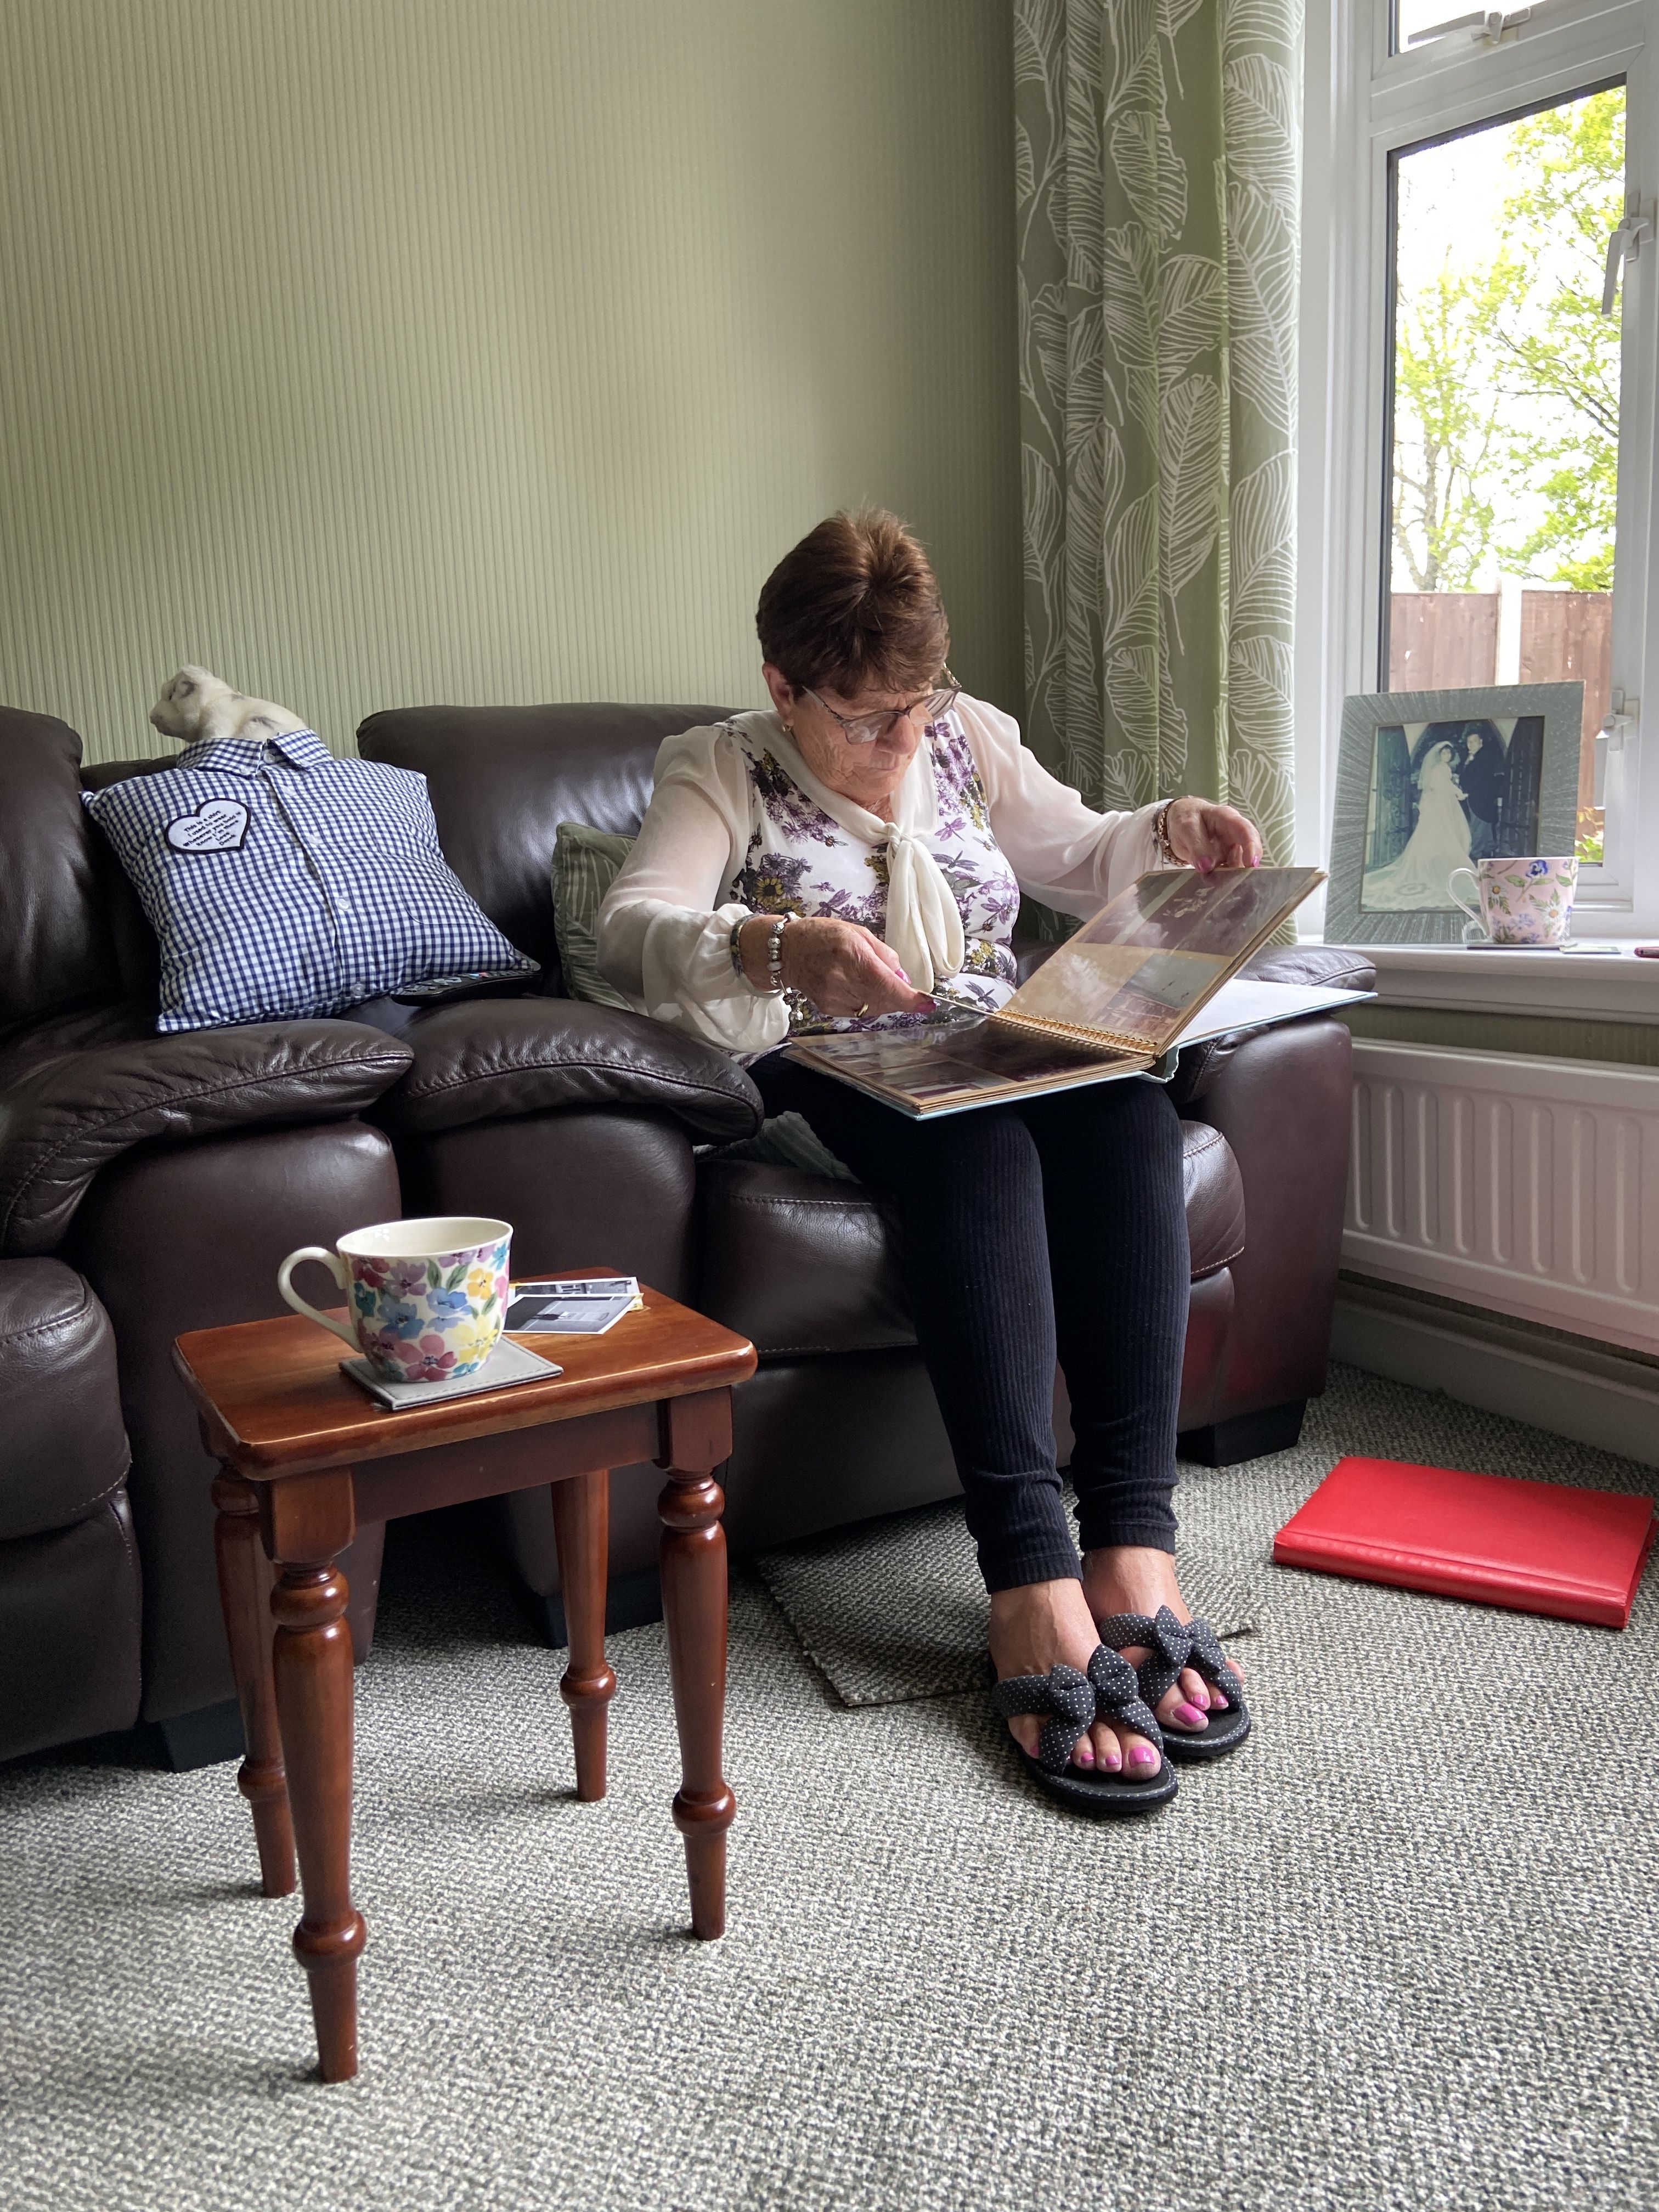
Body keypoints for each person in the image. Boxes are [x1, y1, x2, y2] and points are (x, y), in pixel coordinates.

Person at [597, 509, 1260, 1815]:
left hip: (995, 1037)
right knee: (979, 1153)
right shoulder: (718, 767)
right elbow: (635, 929)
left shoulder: (967, 736)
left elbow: (1077, 846)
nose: (901, 743)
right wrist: (782, 947)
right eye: (863, 717)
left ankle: (1133, 1553)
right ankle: (1028, 1582)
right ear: (783, 685)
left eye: (917, 705)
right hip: (828, 1062)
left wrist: (1170, 828)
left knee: (1129, 1116)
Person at [1362, 738, 1471, 910]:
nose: (1447, 755)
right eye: (1444, 752)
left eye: (1449, 753)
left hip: (1444, 803)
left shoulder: (1444, 768)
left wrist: (1455, 792)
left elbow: (1446, 785)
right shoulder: (1438, 769)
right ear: (1439, 755)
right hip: (1440, 804)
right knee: (1440, 832)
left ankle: (1440, 857)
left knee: (1444, 833)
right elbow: (1441, 786)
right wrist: (1459, 794)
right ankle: (1433, 862)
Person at [1457, 724, 1505, 859]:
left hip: (1480, 797)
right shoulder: (1471, 757)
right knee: (1484, 825)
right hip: (1477, 797)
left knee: (1478, 825)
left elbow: (1478, 778)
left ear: (1481, 742)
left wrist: (1466, 791)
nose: (1471, 744)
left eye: (1474, 741)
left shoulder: (1484, 757)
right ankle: (1488, 849)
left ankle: (1476, 854)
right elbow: (1465, 774)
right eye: (1469, 742)